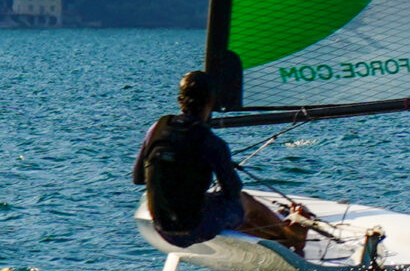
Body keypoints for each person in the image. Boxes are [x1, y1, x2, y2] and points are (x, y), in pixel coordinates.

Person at [131, 71, 309, 253]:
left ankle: (277, 238)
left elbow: (138, 178)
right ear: (211, 102)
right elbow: (232, 191)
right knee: (244, 202)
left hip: (161, 228)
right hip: (192, 230)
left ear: (180, 101)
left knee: (218, 207)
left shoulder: (156, 128)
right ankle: (291, 237)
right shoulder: (211, 142)